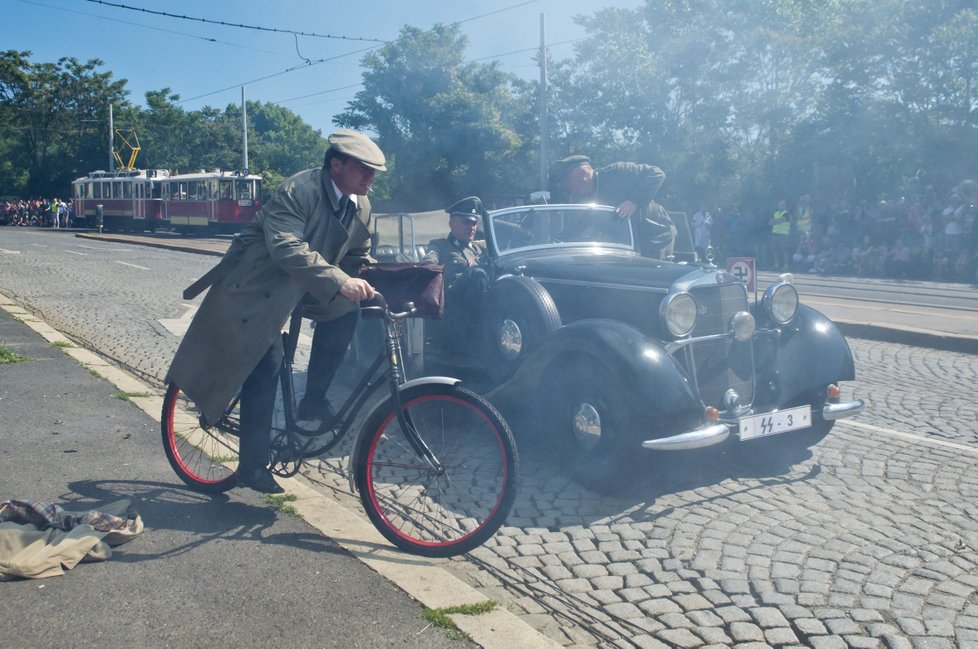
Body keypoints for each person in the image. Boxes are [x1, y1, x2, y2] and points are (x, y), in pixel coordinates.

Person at [166, 129, 386, 494]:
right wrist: (338, 279)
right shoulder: (299, 190)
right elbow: (285, 246)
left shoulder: (359, 203)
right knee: (264, 363)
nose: (370, 178)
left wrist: (379, 276)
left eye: (374, 171)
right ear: (336, 165)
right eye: (364, 169)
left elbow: (357, 254)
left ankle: (313, 400)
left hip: (302, 283)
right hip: (256, 284)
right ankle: (251, 465)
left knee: (347, 309)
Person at [551, 155, 677, 259]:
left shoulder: (617, 172)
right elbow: (575, 228)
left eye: (566, 180)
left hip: (655, 235)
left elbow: (656, 173)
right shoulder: (584, 201)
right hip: (628, 245)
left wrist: (634, 201)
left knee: (650, 277)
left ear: (582, 174)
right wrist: (556, 243)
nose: (565, 185)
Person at [423, 197, 489, 335]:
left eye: (474, 223)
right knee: (476, 273)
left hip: (480, 304)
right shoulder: (439, 246)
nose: (471, 228)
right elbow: (428, 263)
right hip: (454, 310)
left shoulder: (479, 248)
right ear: (452, 223)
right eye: (466, 222)